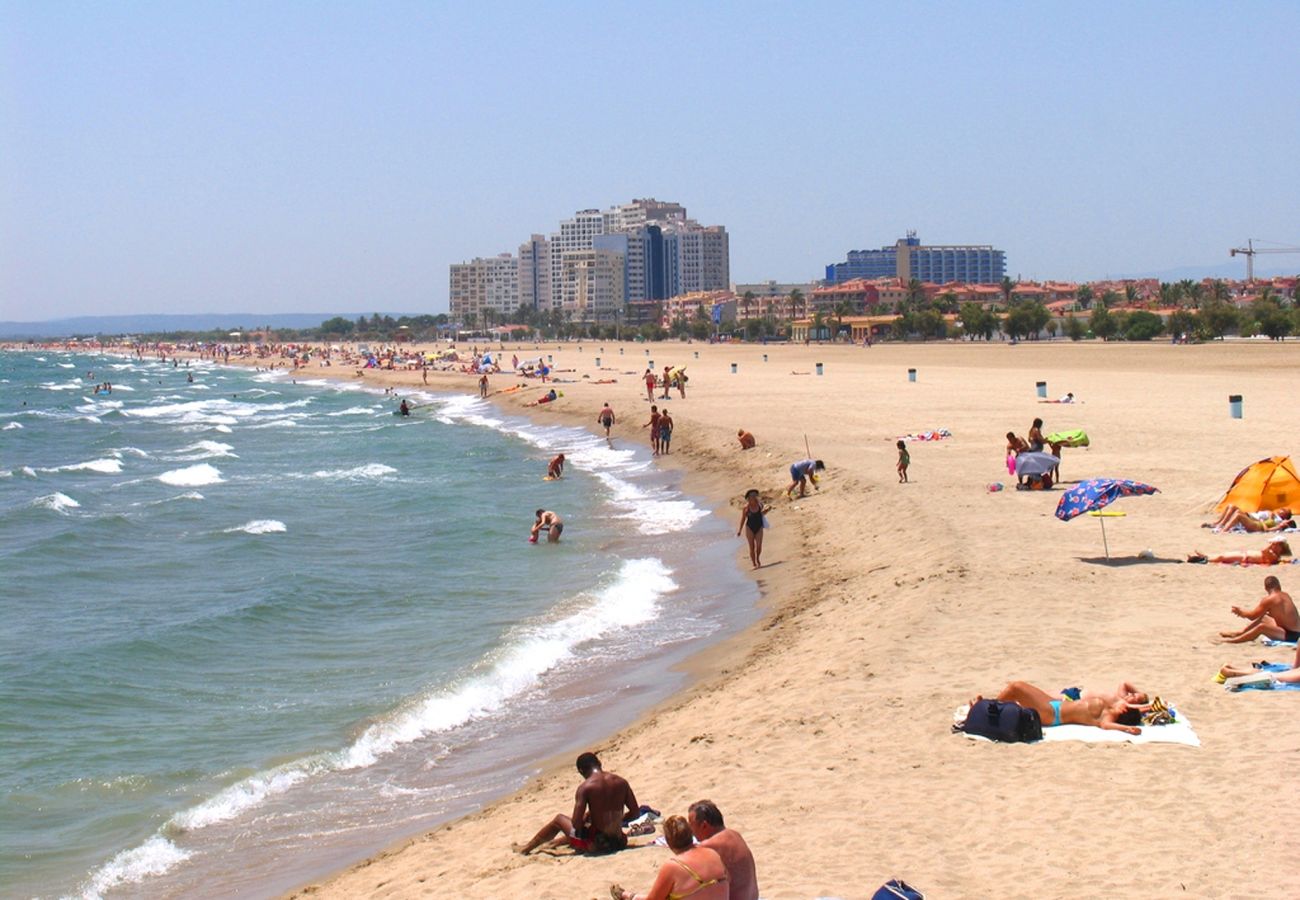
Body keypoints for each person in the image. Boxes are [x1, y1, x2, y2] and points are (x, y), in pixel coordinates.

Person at [518, 752, 639, 855]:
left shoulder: (586, 787)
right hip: (620, 842)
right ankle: (555, 842)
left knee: (559, 820)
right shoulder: (621, 782)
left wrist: (585, 822)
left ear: (581, 771)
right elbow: (635, 813)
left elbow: (576, 825)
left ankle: (526, 848)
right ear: (599, 763)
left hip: (597, 846)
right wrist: (615, 822)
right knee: (588, 820)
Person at [610, 815, 727, 900]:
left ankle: (629, 896)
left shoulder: (673, 866)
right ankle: (630, 896)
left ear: (668, 842)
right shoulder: (713, 854)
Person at [983, 681, 1144, 735]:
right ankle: (989, 705)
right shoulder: (1109, 707)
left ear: (1123, 711)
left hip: (1052, 714)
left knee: (1015, 688)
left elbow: (1106, 726)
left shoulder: (1106, 717)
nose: (1125, 701)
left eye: (1126, 705)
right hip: (1054, 703)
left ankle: (987, 708)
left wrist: (1127, 728)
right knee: (1016, 691)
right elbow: (1126, 691)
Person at [687, 800, 759, 900]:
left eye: (691, 825)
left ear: (704, 825)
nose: (690, 830)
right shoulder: (735, 834)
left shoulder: (707, 846)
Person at [1219, 576, 1300, 643]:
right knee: (1264, 617)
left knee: (1261, 628)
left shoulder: (1269, 599)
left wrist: (1240, 612)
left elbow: (1252, 616)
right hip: (1296, 631)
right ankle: (1241, 633)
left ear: (1265, 588)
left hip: (1290, 635)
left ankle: (1234, 641)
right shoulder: (1285, 595)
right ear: (1279, 586)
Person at [1188, 539, 1292, 566]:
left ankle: (1202, 559)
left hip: (1245, 558)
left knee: (1221, 557)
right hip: (1244, 554)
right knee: (1222, 555)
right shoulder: (1272, 553)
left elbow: (1263, 551)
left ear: (1280, 549)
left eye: (1277, 545)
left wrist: (1271, 544)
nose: (1274, 546)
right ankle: (1205, 556)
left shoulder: (1274, 557)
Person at [736, 489, 769, 569]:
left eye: (755, 495)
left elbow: (762, 513)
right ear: (748, 498)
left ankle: (757, 558)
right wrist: (740, 530)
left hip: (759, 527)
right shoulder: (746, 508)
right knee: (752, 547)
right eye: (752, 495)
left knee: (759, 546)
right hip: (749, 528)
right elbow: (743, 519)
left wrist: (767, 510)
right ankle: (754, 563)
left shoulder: (760, 505)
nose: (754, 496)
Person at [1204, 505, 1294, 533]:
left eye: (1283, 510)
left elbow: (1266, 529)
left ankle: (1223, 528)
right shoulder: (1274, 519)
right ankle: (1219, 524)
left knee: (1237, 513)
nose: (1280, 509)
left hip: (1255, 523)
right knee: (1231, 507)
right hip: (1254, 521)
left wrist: (1262, 521)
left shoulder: (1277, 522)